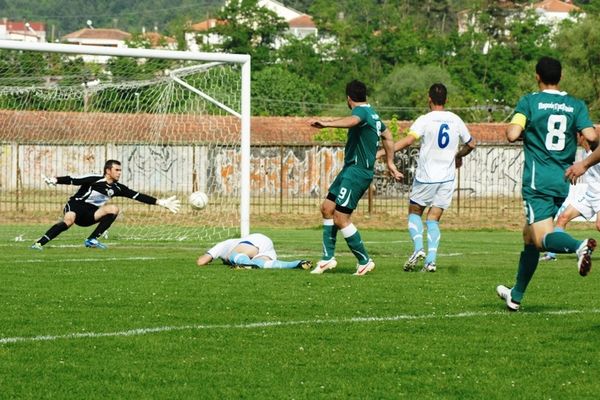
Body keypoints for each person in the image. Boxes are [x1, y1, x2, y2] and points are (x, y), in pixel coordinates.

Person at [497, 56, 600, 311]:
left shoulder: (530, 101)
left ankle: (578, 246)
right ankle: (516, 294)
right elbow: (591, 136)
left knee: (542, 238)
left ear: (537, 76)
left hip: (537, 182)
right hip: (563, 181)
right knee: (528, 237)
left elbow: (512, 134)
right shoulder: (575, 105)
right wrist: (583, 161)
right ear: (561, 77)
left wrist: (522, 127)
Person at [308, 79, 402, 276]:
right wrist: (390, 163)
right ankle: (327, 259)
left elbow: (354, 121)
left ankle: (364, 261)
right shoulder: (373, 114)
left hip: (357, 172)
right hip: (350, 170)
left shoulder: (361, 112)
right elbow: (388, 136)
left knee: (341, 218)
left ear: (349, 98)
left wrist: (326, 123)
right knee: (327, 208)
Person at [379, 83, 476, 272]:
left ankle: (418, 249)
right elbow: (471, 144)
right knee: (433, 219)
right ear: (446, 100)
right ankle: (431, 261)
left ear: (429, 98)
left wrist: (383, 152)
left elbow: (409, 140)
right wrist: (458, 155)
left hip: (427, 177)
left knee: (414, 213)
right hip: (447, 178)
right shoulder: (455, 119)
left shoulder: (425, 119)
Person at [31, 159, 180, 250]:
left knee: (114, 209)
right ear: (108, 171)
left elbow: (137, 196)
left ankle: (92, 240)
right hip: (76, 206)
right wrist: (55, 180)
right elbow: (72, 179)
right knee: (68, 222)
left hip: (91, 214)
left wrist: (161, 202)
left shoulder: (118, 188)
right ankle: (39, 243)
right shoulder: (95, 179)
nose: (119, 173)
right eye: (117, 170)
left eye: (120, 170)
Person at [540, 134, 600, 261]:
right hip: (590, 194)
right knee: (563, 217)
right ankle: (551, 255)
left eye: (576, 134)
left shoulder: (596, 151)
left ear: (582, 136)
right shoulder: (585, 152)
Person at [196, 233, 312, 270]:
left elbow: (201, 261)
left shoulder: (223, 245)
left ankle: (247, 265)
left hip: (252, 241)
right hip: (266, 243)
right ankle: (297, 263)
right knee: (264, 264)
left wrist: (207, 257)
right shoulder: (231, 243)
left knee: (233, 254)